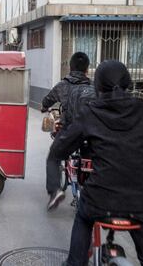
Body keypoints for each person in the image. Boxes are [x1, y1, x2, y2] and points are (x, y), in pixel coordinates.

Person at [49, 60, 143, 265]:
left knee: (83, 218)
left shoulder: (90, 113)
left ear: (98, 86)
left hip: (99, 200)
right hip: (142, 202)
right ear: (128, 83)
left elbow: (58, 151)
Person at [41, 52, 93, 210]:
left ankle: (55, 191)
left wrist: (44, 107)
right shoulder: (93, 86)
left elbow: (46, 100)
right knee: (92, 160)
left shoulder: (62, 85)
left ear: (70, 68)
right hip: (91, 131)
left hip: (69, 131)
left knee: (53, 157)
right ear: (87, 70)